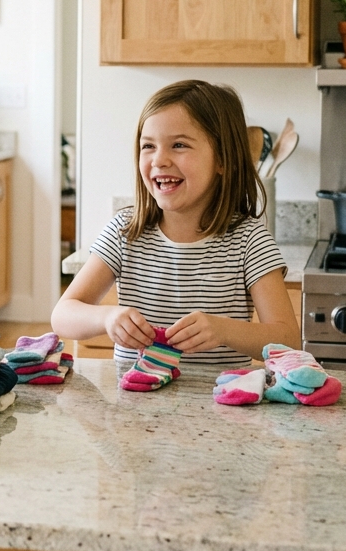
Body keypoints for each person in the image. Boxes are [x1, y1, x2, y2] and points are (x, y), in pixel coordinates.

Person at [51, 80, 299, 384]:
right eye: (148, 146)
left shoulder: (249, 241)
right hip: (134, 405)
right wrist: (107, 317)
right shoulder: (124, 232)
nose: (159, 160)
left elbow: (288, 341)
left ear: (223, 160)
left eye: (179, 145)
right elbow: (62, 316)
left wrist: (223, 330)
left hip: (221, 405)